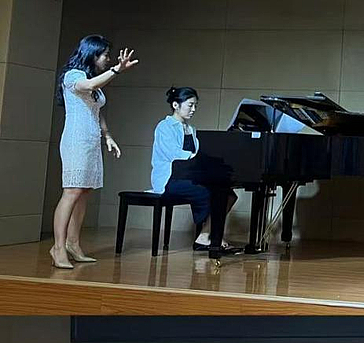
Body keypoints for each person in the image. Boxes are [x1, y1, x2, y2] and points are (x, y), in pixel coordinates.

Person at [52, 35, 138, 269]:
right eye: (105, 55)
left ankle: (73, 244)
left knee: (85, 191)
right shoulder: (73, 76)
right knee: (72, 191)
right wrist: (117, 70)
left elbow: (97, 112)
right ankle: (58, 247)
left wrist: (107, 136)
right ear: (92, 54)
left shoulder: (93, 81)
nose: (107, 59)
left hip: (91, 141)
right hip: (75, 140)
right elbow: (88, 86)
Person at [150, 86, 237, 252]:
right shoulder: (164, 126)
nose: (194, 109)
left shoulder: (192, 130)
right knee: (209, 192)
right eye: (190, 105)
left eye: (195, 105)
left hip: (188, 177)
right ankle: (209, 236)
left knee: (228, 195)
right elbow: (173, 154)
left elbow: (195, 155)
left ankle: (206, 234)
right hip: (169, 179)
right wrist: (197, 157)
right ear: (176, 105)